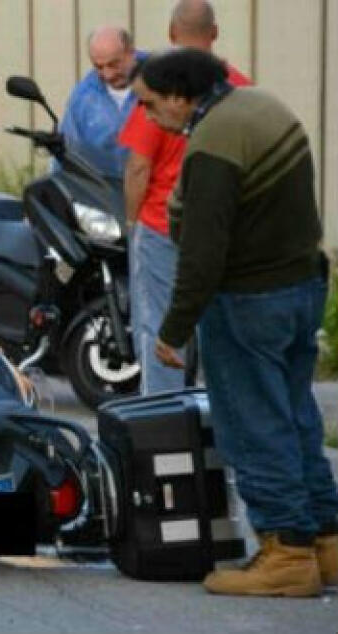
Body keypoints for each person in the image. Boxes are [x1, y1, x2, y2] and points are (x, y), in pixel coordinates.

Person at [135, 48, 338, 597]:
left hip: (249, 300)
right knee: (295, 417)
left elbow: (203, 253)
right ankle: (325, 540)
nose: (150, 116)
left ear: (181, 96)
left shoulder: (214, 142)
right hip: (302, 286)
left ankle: (286, 554)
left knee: (253, 426)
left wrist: (173, 331)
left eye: (152, 104)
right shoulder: (262, 106)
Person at [119, 0, 251, 394]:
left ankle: (165, 430)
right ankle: (223, 424)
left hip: (162, 227)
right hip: (220, 231)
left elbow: (138, 168)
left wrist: (131, 223)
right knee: (220, 332)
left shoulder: (161, 87)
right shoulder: (240, 88)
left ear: (172, 35)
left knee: (159, 333)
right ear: (214, 34)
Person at [57, 26, 143, 188]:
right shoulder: (83, 98)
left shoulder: (160, 80)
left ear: (131, 52)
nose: (108, 74)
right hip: (106, 196)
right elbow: (68, 152)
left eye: (113, 64)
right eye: (99, 67)